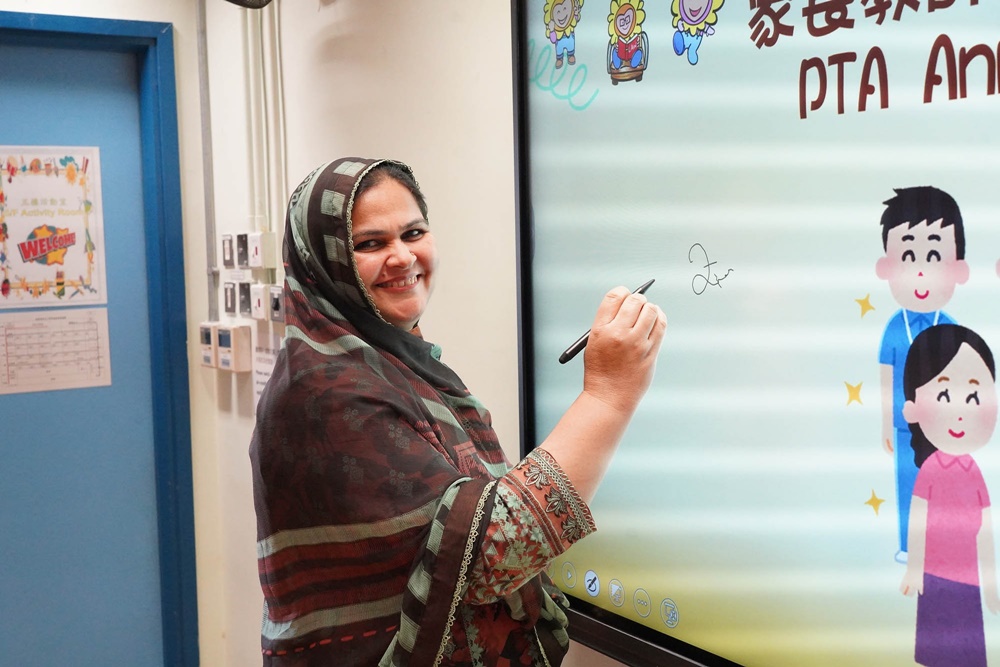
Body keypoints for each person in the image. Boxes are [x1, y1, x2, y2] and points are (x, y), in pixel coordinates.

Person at [250, 157, 667, 666]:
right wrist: (608, 394)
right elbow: (489, 554)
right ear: (324, 264)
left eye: (413, 233)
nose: (403, 257)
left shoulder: (385, 361)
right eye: (371, 244)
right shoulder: (322, 391)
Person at [875, 185, 969, 564]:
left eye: (933, 255)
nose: (920, 269)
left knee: (943, 488)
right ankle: (908, 546)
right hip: (904, 427)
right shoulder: (893, 330)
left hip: (945, 427)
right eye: (907, 255)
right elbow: (886, 376)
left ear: (958, 269)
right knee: (907, 489)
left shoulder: (950, 328)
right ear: (886, 267)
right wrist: (886, 423)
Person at [899, 324, 1000, 667]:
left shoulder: (973, 472)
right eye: (943, 395)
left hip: (969, 579)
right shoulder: (930, 470)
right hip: (935, 578)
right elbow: (918, 519)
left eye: (974, 397)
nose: (960, 411)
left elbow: (985, 530)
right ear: (913, 407)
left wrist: (990, 585)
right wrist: (914, 570)